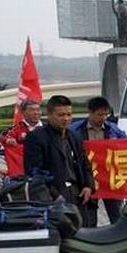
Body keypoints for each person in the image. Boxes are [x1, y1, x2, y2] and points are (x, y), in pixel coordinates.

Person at [24, 95, 95, 224]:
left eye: (69, 114)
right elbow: (34, 173)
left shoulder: (74, 136)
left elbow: (85, 163)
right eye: (61, 115)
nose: (66, 119)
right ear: (49, 115)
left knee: (85, 233)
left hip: (78, 194)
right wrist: (55, 196)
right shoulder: (36, 137)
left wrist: (88, 186)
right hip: (54, 196)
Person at [70, 96, 127, 226]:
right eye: (99, 114)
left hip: (109, 178)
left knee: (117, 216)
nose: (103, 118)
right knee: (89, 219)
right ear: (90, 112)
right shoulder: (74, 130)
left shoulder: (113, 129)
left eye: (105, 114)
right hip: (87, 179)